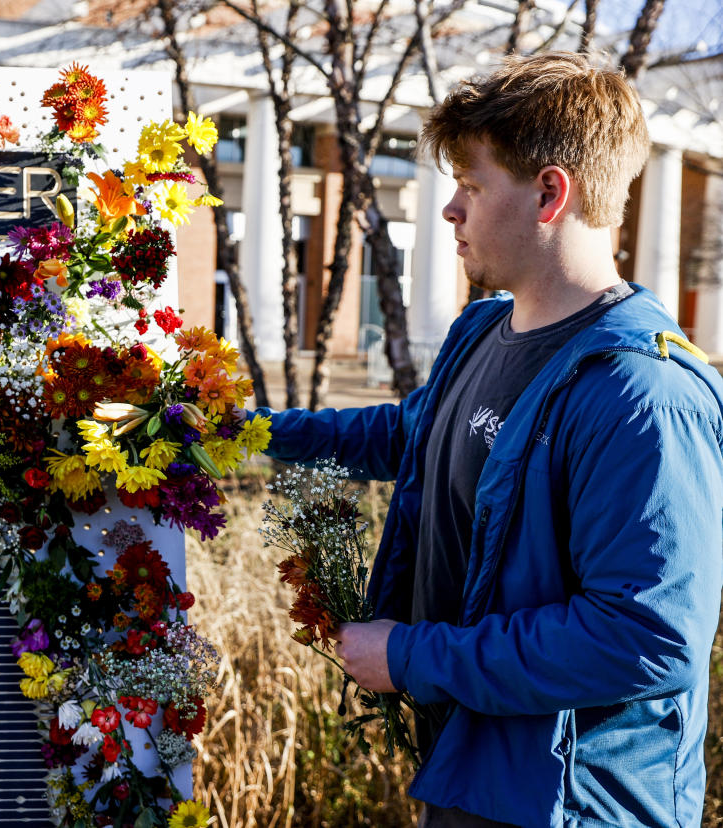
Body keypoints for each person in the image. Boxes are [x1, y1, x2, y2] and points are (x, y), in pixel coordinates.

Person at [251, 52, 723, 827]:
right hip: (476, 773)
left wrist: (410, 657)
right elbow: (407, 437)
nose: (451, 210)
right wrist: (238, 433)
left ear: (549, 193)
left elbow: (647, 637)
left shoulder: (643, 394)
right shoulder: (481, 334)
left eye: (471, 185)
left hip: (572, 806)